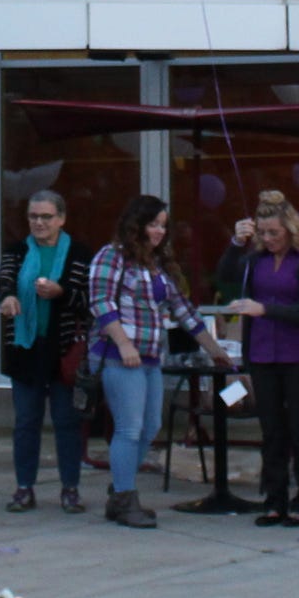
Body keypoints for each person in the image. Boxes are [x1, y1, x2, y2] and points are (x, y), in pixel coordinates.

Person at [86, 194, 230, 528]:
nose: (159, 231)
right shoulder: (111, 256)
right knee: (129, 426)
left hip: (150, 356)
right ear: (135, 224)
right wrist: (123, 343)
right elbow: (101, 302)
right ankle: (124, 497)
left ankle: (121, 488)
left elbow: (183, 311)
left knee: (150, 427)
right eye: (153, 224)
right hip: (119, 356)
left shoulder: (157, 265)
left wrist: (214, 349)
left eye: (163, 225)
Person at [221, 191, 299, 528]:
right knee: (271, 431)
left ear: (291, 230)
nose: (268, 239)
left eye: (274, 233)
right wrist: (236, 243)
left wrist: (263, 309)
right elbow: (225, 277)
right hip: (262, 352)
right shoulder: (255, 262)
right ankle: (274, 500)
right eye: (262, 233)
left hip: (298, 354)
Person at [0, 190, 92, 514]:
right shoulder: (17, 250)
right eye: (33, 216)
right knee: (26, 422)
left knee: (66, 421)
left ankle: (70, 489)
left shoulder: (78, 252)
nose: (39, 222)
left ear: (61, 219)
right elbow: (4, 277)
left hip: (63, 350)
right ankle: (24, 488)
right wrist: (7, 296)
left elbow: (89, 298)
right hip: (26, 347)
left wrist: (61, 291)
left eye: (46, 217)